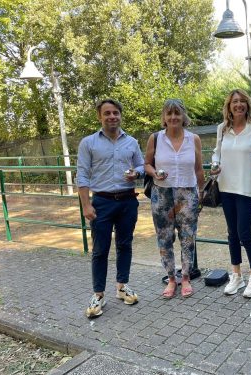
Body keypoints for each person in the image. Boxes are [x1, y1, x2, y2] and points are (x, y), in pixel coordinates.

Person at [77, 98, 144, 318]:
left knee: (125, 244)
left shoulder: (132, 142)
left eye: (115, 112)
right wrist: (86, 204)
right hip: (102, 202)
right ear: (100, 117)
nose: (112, 116)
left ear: (120, 115)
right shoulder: (88, 143)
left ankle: (122, 287)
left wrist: (138, 173)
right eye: (107, 113)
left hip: (127, 201)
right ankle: (98, 294)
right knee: (100, 250)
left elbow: (142, 165)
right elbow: (83, 175)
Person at [210, 89, 251, 298]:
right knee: (232, 233)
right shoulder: (222, 129)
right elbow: (217, 152)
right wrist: (214, 165)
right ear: (229, 106)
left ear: (247, 105)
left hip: (246, 188)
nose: (239, 104)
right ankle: (237, 274)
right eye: (235, 101)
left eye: (243, 101)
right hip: (225, 187)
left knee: (244, 233)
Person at [144, 99, 204, 299]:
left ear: (183, 116)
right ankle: (171, 278)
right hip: (162, 194)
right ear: (164, 117)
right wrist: (154, 173)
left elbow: (198, 169)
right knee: (165, 237)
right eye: (169, 114)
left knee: (187, 237)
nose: (173, 117)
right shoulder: (155, 138)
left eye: (177, 113)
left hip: (187, 195)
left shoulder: (193, 139)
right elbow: (147, 164)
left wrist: (202, 192)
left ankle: (185, 277)